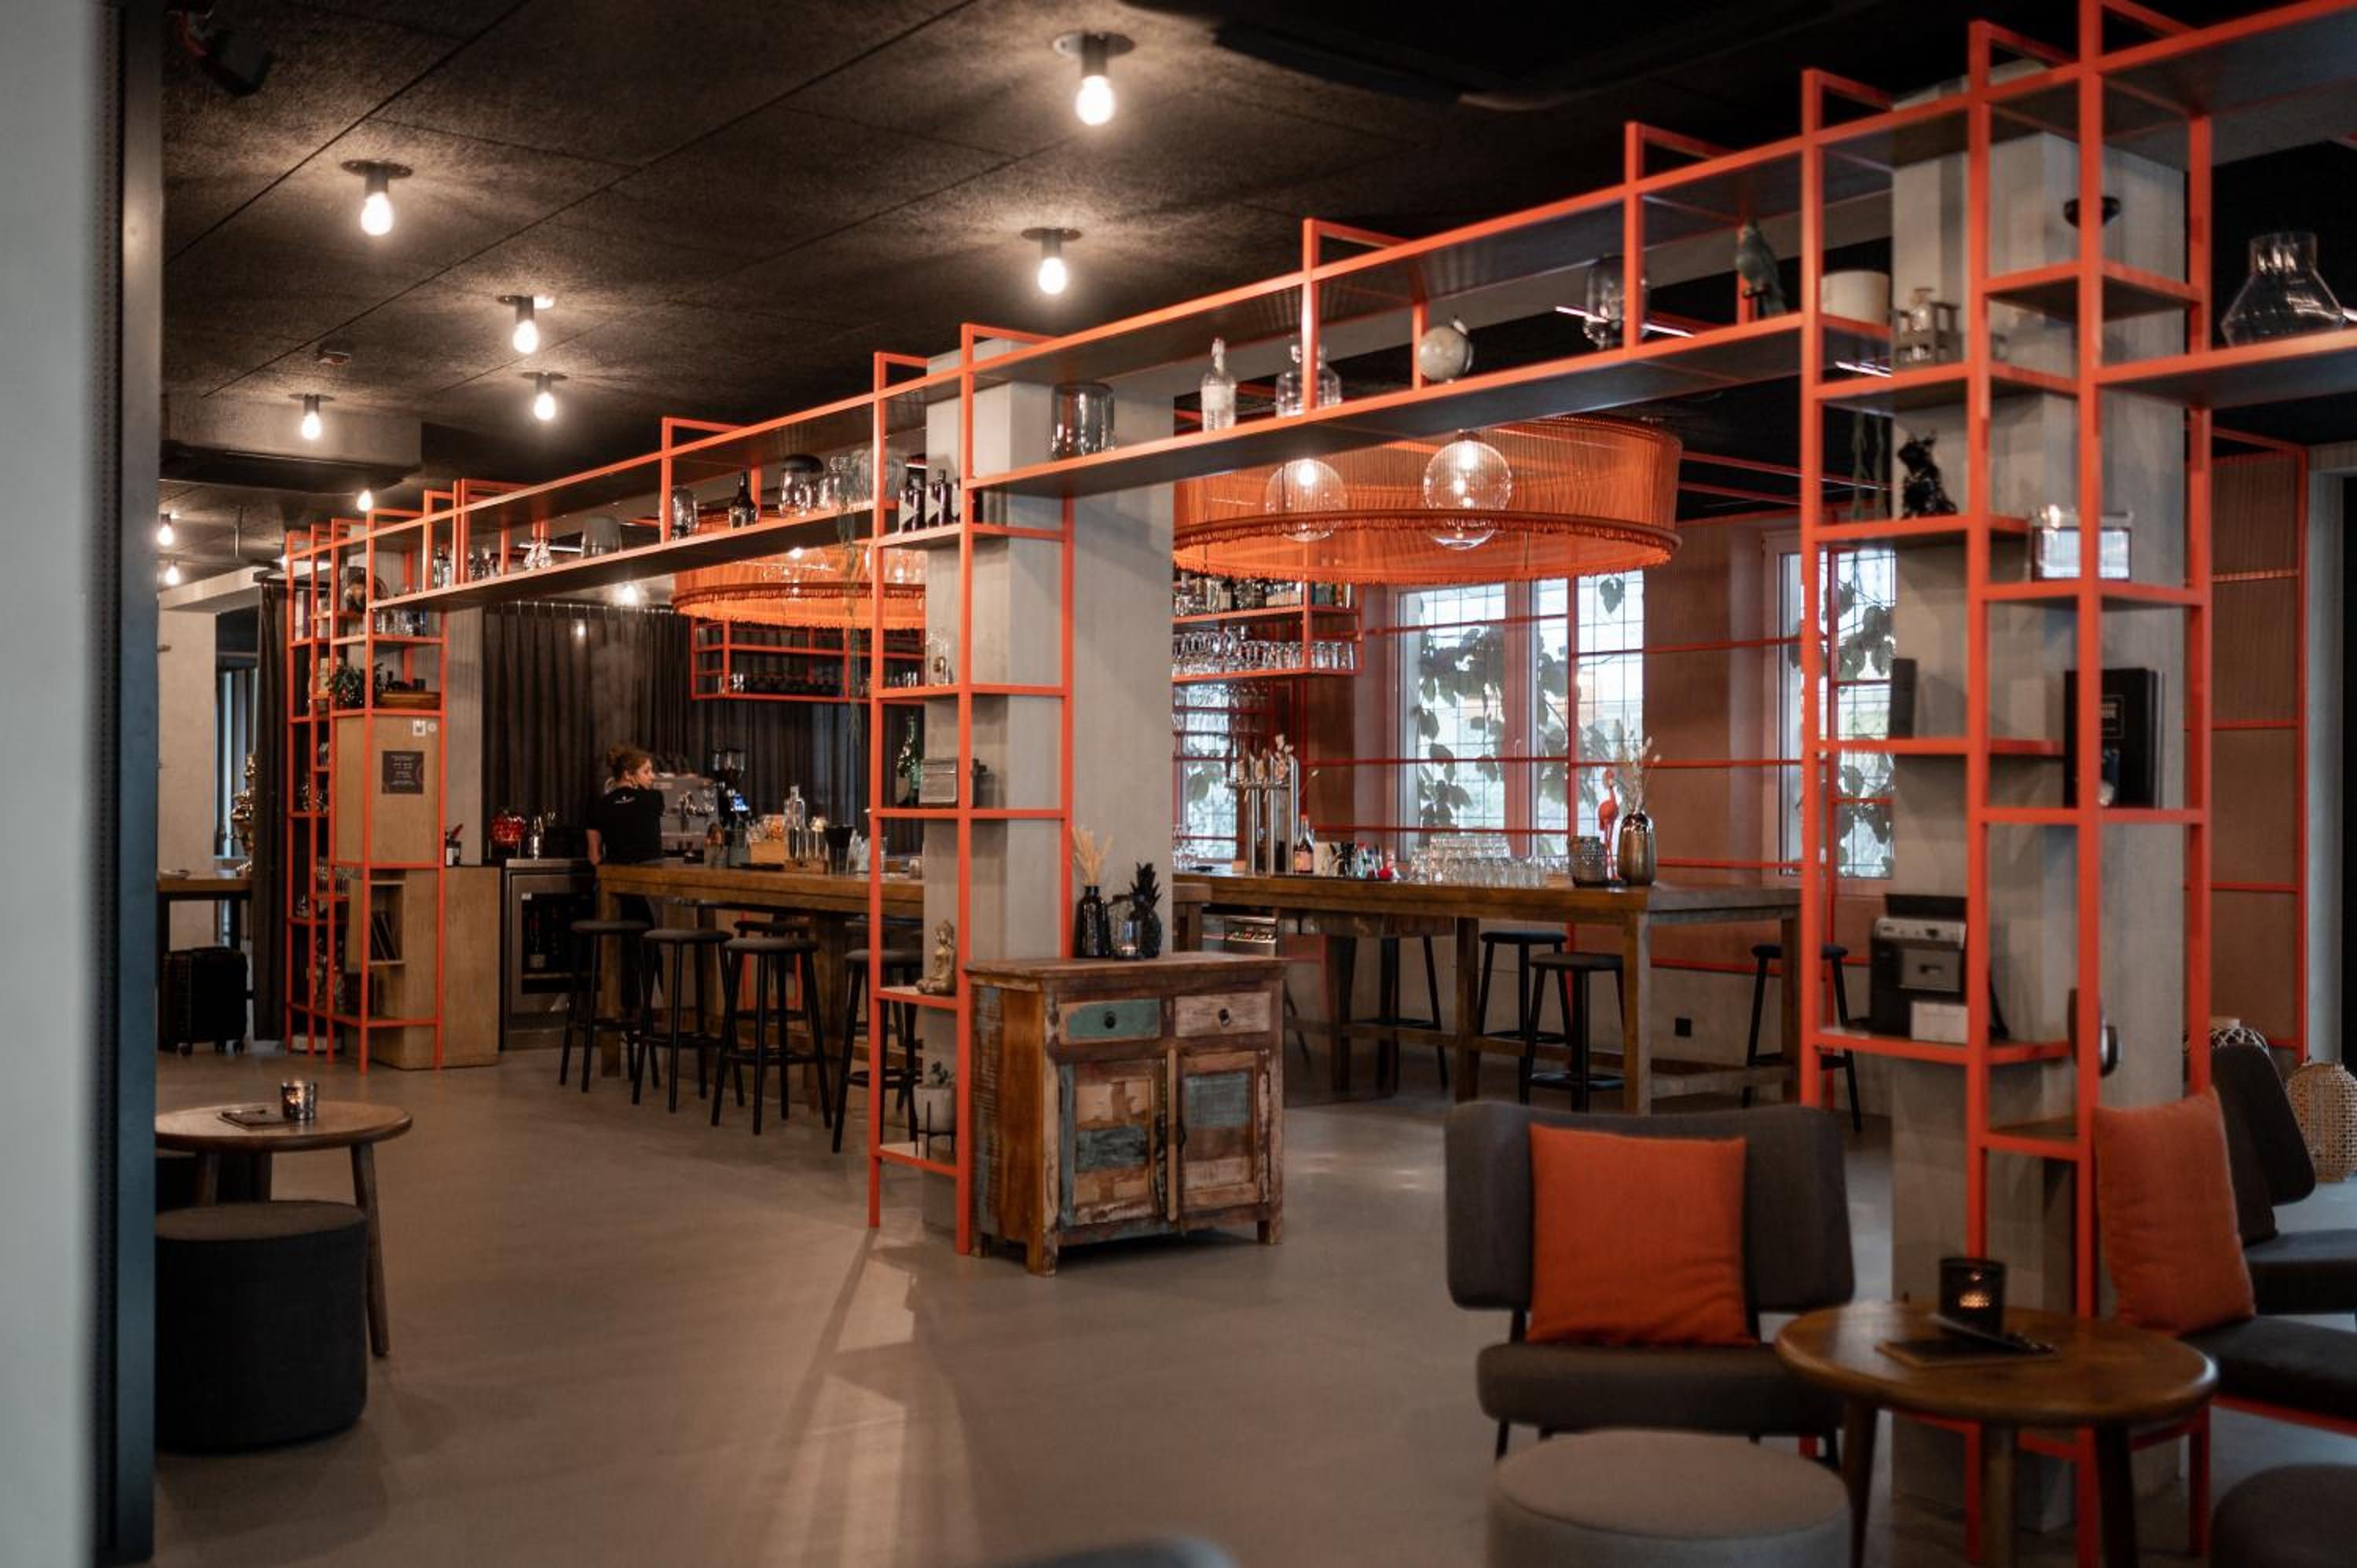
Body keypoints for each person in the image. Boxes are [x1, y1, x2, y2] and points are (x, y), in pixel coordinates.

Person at [587, 745, 663, 1013]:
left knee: (621, 945)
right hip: (649, 889)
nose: (652, 777)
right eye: (647, 771)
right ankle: (654, 1008)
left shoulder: (600, 806)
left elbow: (594, 856)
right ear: (629, 774)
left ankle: (621, 1008)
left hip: (615, 892)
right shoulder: (654, 800)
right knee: (653, 938)